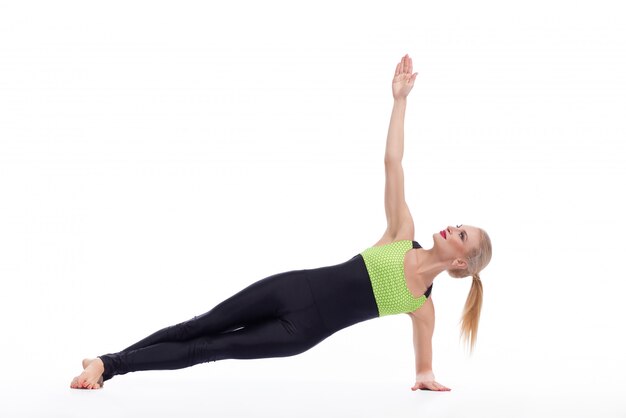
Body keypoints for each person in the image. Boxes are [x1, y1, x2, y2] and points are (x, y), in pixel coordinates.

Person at [70, 54, 492, 392]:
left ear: (461, 263)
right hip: (290, 287)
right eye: (459, 225)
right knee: (197, 326)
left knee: (207, 348)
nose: (452, 228)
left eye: (461, 235)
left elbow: (423, 366)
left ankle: (108, 365)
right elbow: (392, 163)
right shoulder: (403, 235)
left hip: (299, 332)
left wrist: (424, 377)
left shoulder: (422, 306)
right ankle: (107, 363)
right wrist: (400, 102)